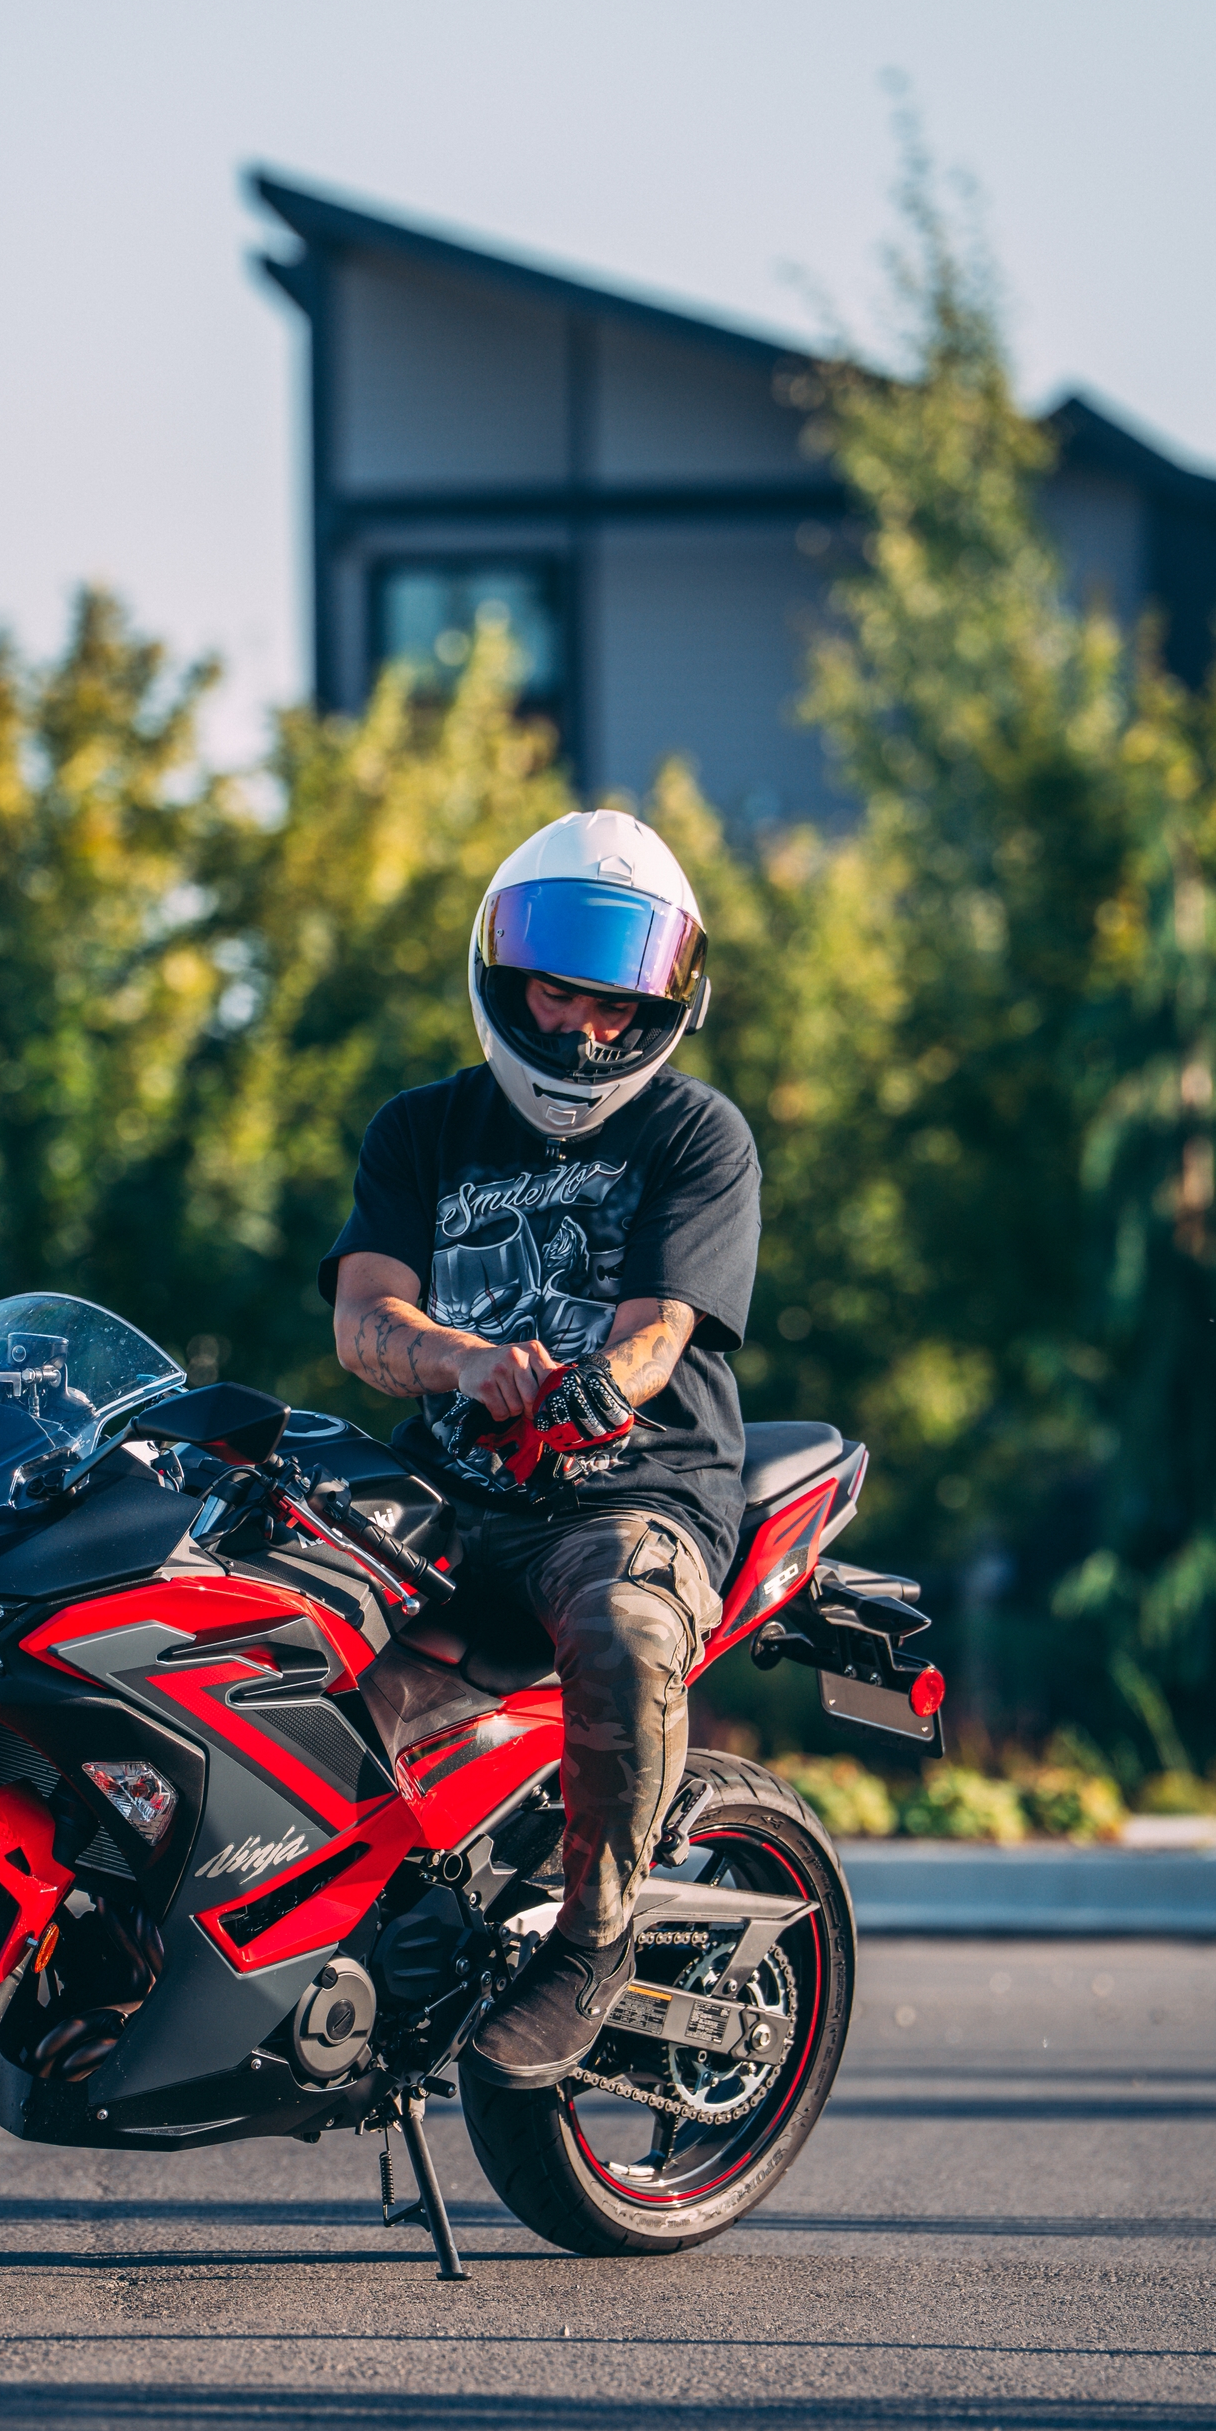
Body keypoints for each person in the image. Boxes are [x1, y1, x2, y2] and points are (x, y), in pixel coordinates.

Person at [322, 807, 761, 2087]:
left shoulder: (695, 1134)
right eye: (559, 997)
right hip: (448, 1502)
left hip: (633, 1494)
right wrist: (461, 1362)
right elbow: (362, 1314)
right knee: (287, 1673)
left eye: (613, 1009)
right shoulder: (422, 1129)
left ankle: (593, 1943)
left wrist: (594, 1388)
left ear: (656, 1011)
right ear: (506, 983)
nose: (582, 1030)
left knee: (620, 1623)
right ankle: (377, 1935)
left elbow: (660, 1328)